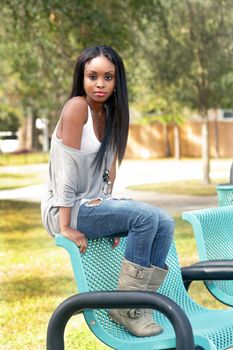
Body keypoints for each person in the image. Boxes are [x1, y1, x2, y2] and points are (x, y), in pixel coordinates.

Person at [41, 45, 174, 337]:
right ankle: (125, 308)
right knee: (144, 218)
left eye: (108, 77)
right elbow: (66, 171)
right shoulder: (77, 108)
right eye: (92, 76)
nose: (99, 84)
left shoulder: (112, 114)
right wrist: (64, 225)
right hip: (65, 208)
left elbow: (108, 171)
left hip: (93, 206)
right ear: (82, 78)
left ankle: (142, 306)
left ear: (117, 82)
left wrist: (111, 212)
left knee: (164, 222)